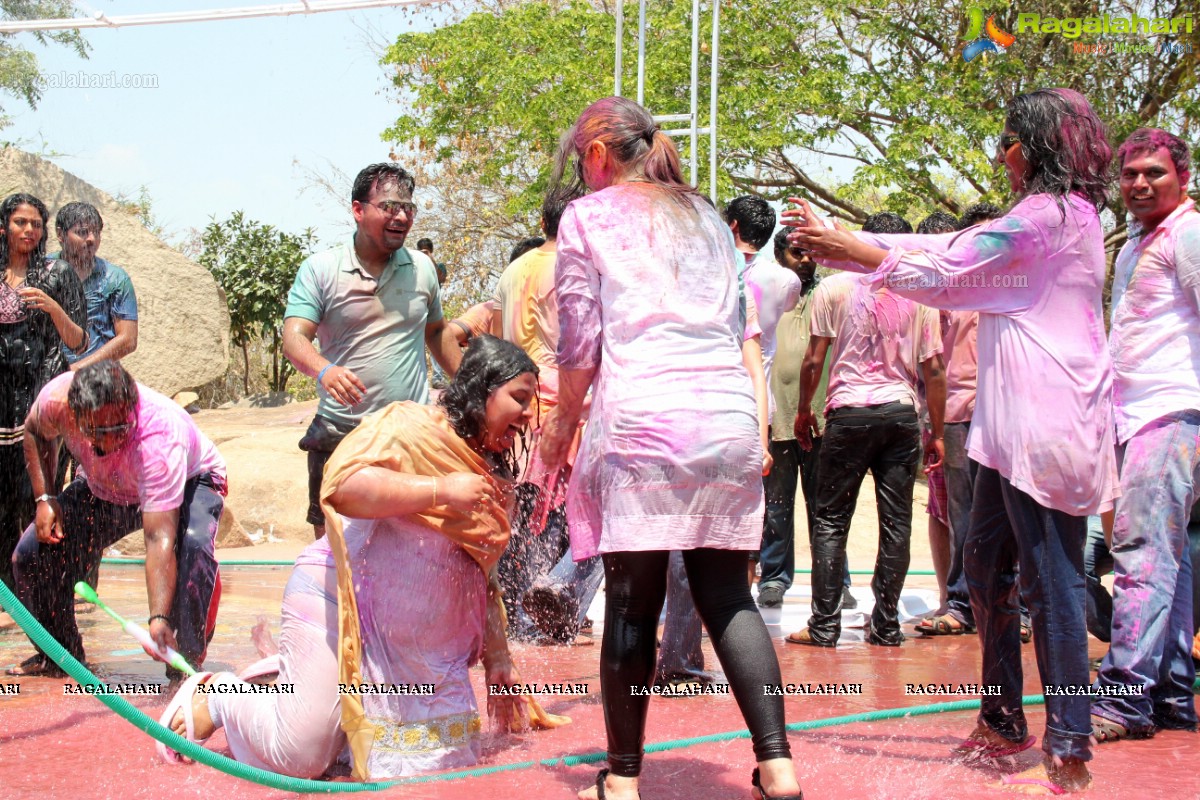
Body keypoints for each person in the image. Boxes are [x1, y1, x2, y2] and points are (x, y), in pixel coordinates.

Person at [787, 87, 1116, 794]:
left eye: (1006, 142)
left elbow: (951, 270)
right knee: (986, 562)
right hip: (1006, 431)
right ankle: (1001, 717)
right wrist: (852, 242)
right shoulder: (1053, 216)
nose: (1001, 157)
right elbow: (948, 246)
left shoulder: (1052, 218)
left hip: (1043, 428)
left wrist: (855, 251)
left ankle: (1069, 753)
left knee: (1050, 584)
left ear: (1030, 147)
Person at [538, 96, 801, 800]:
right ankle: (777, 766)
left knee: (630, 601)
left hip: (644, 425)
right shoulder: (710, 218)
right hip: (725, 424)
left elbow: (579, 343)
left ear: (596, 156)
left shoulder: (586, 218)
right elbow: (736, 325)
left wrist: (561, 433)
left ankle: (622, 781)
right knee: (727, 596)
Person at [156, 336, 566, 779]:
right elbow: (343, 485)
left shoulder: (493, 473)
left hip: (409, 645)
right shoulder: (411, 426)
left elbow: (480, 575)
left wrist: (498, 658)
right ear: (481, 389)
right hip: (338, 600)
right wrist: (441, 490)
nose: (528, 415)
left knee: (436, 760)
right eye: (519, 399)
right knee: (303, 758)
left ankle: (292, 682)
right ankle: (221, 694)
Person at [785, 211, 944, 649]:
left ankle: (824, 625)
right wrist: (937, 432)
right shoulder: (920, 294)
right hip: (900, 414)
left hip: (850, 412)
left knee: (831, 520)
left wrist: (803, 410)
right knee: (897, 521)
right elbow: (934, 369)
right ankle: (887, 625)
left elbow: (814, 360)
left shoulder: (833, 288)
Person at [9, 360, 224, 682]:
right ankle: (59, 656)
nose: (108, 443)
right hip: (105, 486)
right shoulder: (56, 401)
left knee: (192, 548)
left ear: (131, 407)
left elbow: (158, 538)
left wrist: (158, 617)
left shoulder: (159, 437)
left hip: (192, 480)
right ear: (74, 414)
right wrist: (45, 498)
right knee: (30, 556)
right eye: (96, 431)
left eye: (118, 429)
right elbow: (35, 432)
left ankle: (186, 667)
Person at [1091, 128, 1200, 742]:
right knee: (1168, 561)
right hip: (1139, 416)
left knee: (1141, 557)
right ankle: (1170, 695)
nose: (1138, 183)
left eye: (1153, 172)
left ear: (1182, 177)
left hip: (1174, 411)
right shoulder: (1136, 243)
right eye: (1130, 173)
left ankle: (1123, 698)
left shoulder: (1188, 235)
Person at [283, 163, 460, 540]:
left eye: (408, 208)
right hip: (340, 432)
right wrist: (324, 371)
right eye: (389, 206)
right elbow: (294, 338)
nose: (400, 216)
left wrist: (473, 383)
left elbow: (437, 332)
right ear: (358, 210)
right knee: (333, 548)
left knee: (414, 545)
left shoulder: (423, 269)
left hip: (410, 434)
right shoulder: (321, 269)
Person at [491, 189, 601, 643]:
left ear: (542, 219)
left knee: (522, 512)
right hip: (567, 404)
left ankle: (517, 617)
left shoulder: (514, 270)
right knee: (570, 514)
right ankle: (547, 604)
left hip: (517, 403)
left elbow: (498, 338)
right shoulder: (577, 268)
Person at [0, 193, 86, 593]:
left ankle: (47, 593)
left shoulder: (57, 273)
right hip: (2, 401)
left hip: (40, 399)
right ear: (4, 227)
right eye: (20, 222)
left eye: (35, 223)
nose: (28, 230)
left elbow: (79, 341)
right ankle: (9, 596)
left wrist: (52, 307)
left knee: (39, 496)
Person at [756, 230, 833, 610]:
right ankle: (773, 579)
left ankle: (834, 581)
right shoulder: (770, 292)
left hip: (821, 419)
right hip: (778, 418)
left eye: (810, 253)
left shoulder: (829, 294)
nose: (805, 259)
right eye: (796, 252)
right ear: (779, 254)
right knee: (777, 507)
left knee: (827, 508)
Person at [913, 211, 958, 618]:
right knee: (939, 509)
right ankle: (949, 599)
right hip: (938, 420)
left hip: (975, 416)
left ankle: (999, 606)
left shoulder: (976, 290)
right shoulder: (921, 299)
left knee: (979, 513)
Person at [54, 202, 139, 370]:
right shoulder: (43, 271)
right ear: (60, 234)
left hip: (97, 380)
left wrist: (76, 370)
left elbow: (128, 340)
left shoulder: (115, 278)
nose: (92, 239)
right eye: (82, 232)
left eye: (96, 233)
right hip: (45, 379)